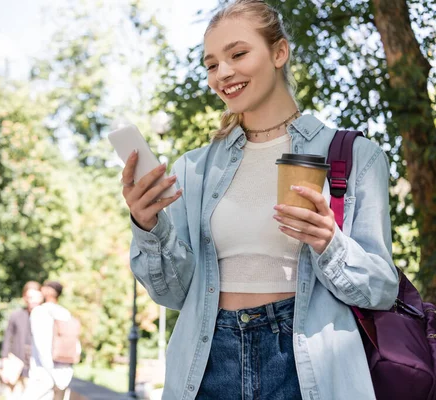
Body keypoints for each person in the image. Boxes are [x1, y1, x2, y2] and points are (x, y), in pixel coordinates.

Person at [121, 1, 398, 399]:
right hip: (208, 361)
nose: (223, 73)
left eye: (238, 54)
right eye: (212, 64)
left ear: (279, 52)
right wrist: (149, 228)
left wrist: (329, 243)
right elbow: (172, 293)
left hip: (306, 366)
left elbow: (381, 289)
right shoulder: (193, 169)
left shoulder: (354, 156)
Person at [26, 281, 77, 400]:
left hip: (43, 373)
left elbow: (41, 345)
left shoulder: (39, 311)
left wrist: (51, 371)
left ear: (48, 291)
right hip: (64, 372)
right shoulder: (65, 313)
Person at [1, 281, 44, 399]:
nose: (32, 301)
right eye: (29, 297)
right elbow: (7, 340)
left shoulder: (45, 318)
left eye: (35, 297)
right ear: (25, 297)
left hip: (35, 368)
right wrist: (5, 363)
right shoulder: (16, 315)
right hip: (16, 365)